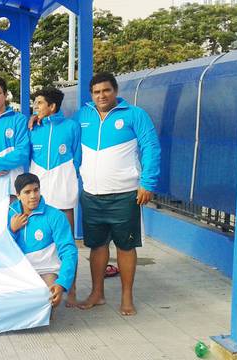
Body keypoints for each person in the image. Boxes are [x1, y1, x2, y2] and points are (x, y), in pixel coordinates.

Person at [74, 72, 161, 316]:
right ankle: (97, 293)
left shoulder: (135, 115)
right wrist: (38, 118)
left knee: (125, 247)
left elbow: (151, 148)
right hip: (91, 195)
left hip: (125, 195)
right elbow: (62, 130)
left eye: (106, 90)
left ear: (115, 91)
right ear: (91, 95)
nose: (101, 95)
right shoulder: (84, 116)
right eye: (96, 92)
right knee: (97, 246)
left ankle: (126, 297)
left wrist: (148, 182)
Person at [29, 87, 81, 307]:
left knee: (66, 243)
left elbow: (78, 158)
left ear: (52, 106)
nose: (36, 107)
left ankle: (72, 288)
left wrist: (69, 180)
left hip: (63, 189)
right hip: (39, 189)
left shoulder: (71, 127)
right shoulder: (33, 127)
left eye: (39, 103)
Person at [8, 173, 78, 308]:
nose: (33, 196)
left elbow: (69, 251)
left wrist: (62, 283)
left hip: (47, 271)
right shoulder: (8, 215)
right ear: (17, 195)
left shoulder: (56, 216)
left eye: (36, 190)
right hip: (19, 272)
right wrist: (12, 230)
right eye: (27, 192)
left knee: (45, 305)